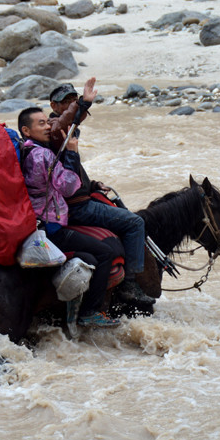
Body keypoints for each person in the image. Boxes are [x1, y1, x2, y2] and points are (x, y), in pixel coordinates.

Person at [48, 81, 155, 307]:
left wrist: (93, 184)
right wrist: (83, 102)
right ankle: (130, 284)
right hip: (78, 207)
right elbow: (67, 120)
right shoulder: (54, 128)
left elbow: (72, 170)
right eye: (65, 102)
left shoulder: (67, 131)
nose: (71, 106)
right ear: (53, 106)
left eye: (72, 100)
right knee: (135, 223)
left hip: (78, 198)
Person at [17, 106, 121, 328]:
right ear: (26, 130)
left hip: (35, 224)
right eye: (41, 124)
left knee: (89, 259)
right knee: (105, 252)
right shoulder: (42, 154)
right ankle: (90, 312)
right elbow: (69, 186)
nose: (47, 127)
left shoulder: (24, 151)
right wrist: (72, 153)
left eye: (47, 122)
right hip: (51, 228)